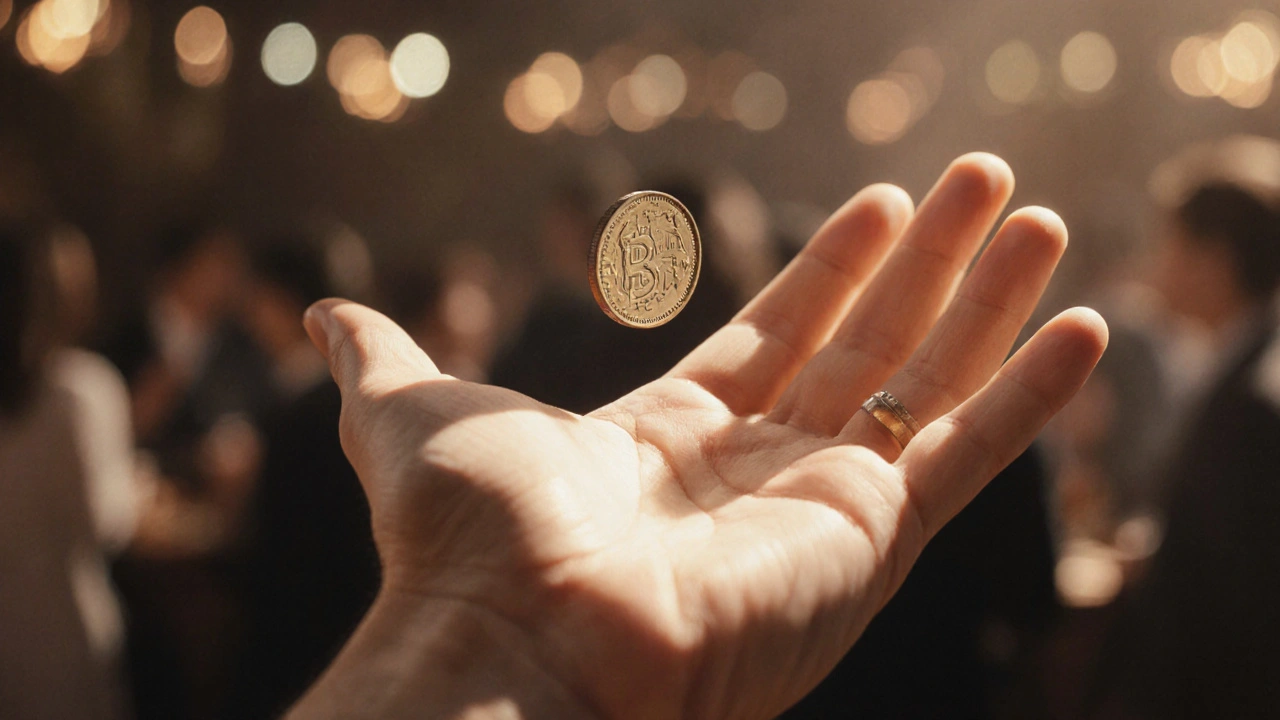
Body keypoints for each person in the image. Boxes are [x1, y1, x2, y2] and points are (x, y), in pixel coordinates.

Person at [270, 153, 1107, 719]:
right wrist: (503, 630)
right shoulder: (937, 408)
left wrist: (494, 640)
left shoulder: (541, 386)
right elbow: (1034, 595)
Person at [1095, 138, 1280, 719]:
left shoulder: (1258, 397)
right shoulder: (1239, 365)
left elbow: (1241, 583)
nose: (1156, 264)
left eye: (1169, 242)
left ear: (1214, 259)